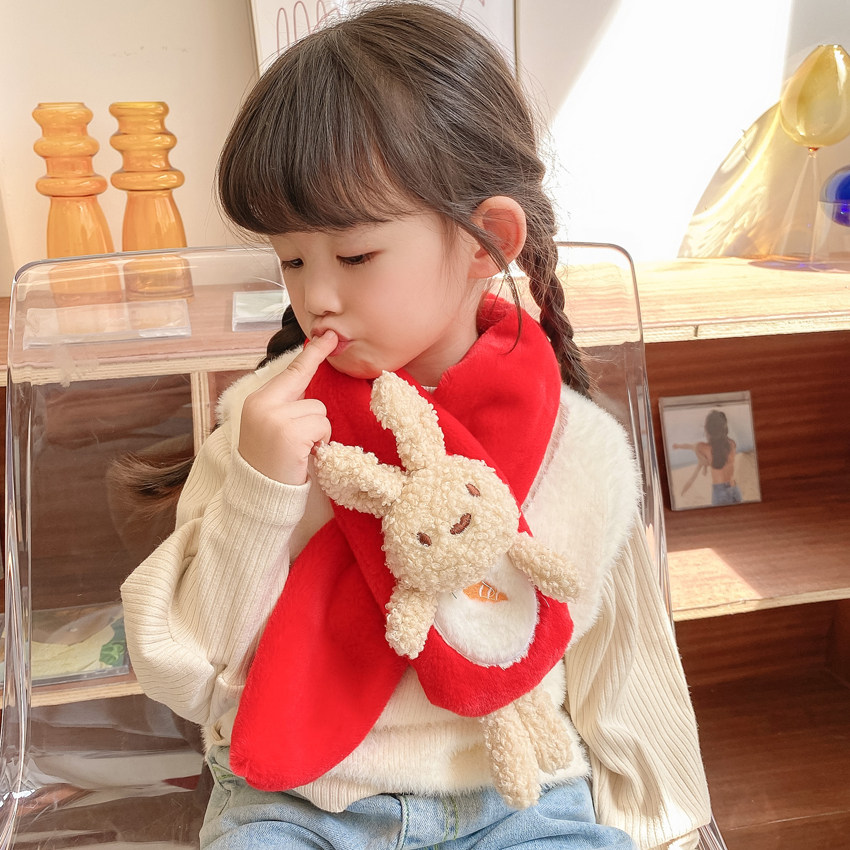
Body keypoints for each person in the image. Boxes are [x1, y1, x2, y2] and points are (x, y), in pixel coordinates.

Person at [120, 3, 711, 848]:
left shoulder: (577, 448)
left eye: (355, 255)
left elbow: (624, 669)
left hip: (519, 799)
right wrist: (258, 493)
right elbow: (190, 675)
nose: (316, 295)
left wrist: (670, 828)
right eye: (291, 259)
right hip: (299, 804)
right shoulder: (263, 433)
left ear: (485, 240)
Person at [674, 409, 742, 506]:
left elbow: (690, 446)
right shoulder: (731, 444)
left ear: (708, 430)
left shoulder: (704, 448)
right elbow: (720, 455)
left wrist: (678, 446)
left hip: (720, 491)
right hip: (734, 488)